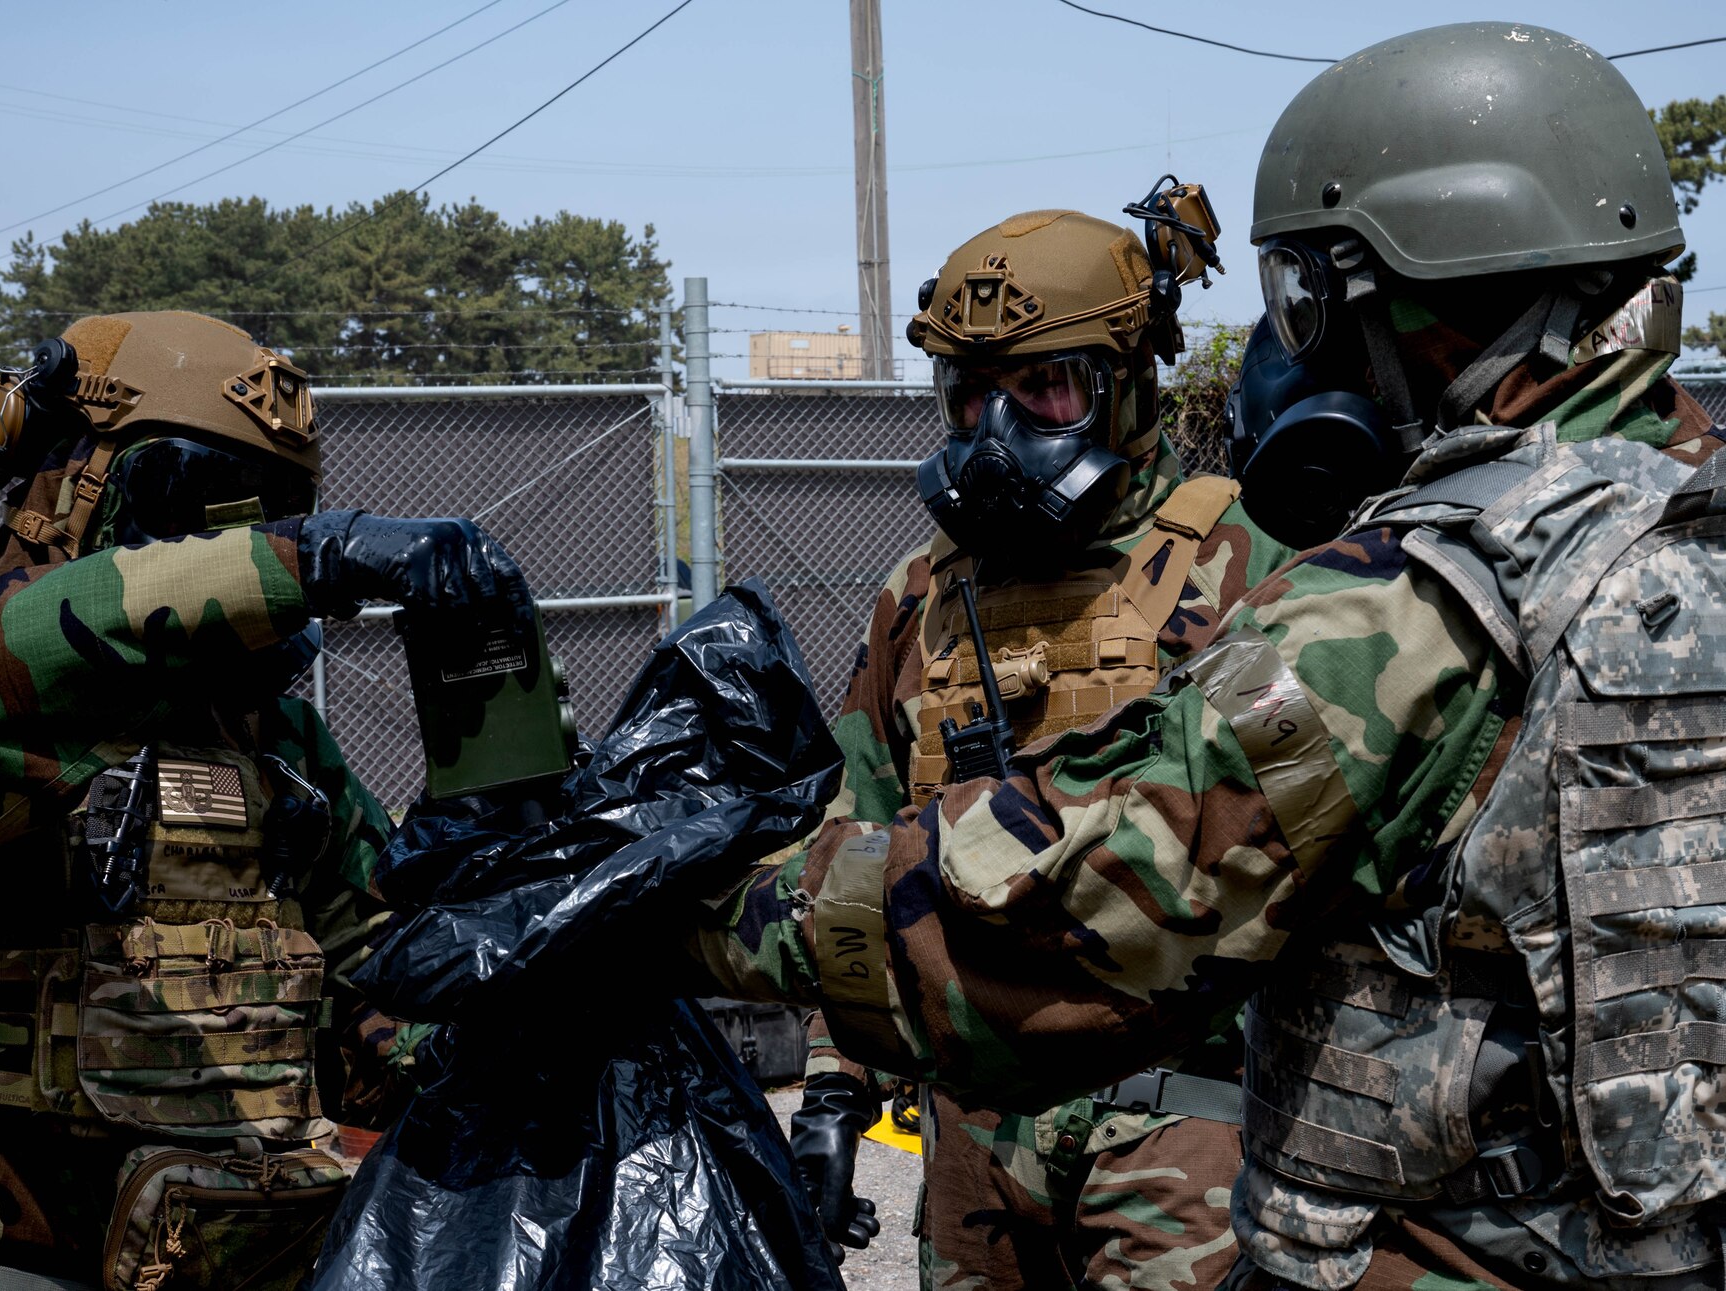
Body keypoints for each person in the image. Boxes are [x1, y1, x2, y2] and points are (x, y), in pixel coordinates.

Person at [688, 23, 1726, 1290]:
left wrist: (676, 914)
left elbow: (1085, 902)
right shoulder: (1675, 520)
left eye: (1311, 298)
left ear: (1434, 290)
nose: (1305, 351)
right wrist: (835, 1094)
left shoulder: (1406, 598)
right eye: (969, 394)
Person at [0, 310, 529, 1290]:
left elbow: (374, 1006)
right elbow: (1, 672)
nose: (232, 545)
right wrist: (304, 564)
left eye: (265, 512)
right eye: (193, 499)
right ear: (69, 481)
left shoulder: (278, 750)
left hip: (229, 1249)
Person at [773, 203, 1293, 1288]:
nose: (995, 433)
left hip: (1180, 1130)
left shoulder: (1249, 566)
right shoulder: (919, 594)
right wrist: (832, 1085)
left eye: (1044, 389)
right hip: (972, 1138)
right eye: (970, 395)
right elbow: (852, 841)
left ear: (1128, 385)